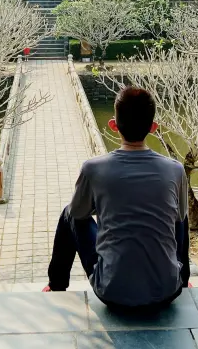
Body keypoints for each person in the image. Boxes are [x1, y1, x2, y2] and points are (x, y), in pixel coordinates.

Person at [43, 85, 190, 311]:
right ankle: (183, 277)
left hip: (112, 292)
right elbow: (178, 219)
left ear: (113, 125)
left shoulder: (93, 169)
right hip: (168, 291)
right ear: (153, 128)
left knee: (69, 213)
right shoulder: (175, 169)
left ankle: (56, 285)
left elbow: (78, 214)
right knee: (181, 215)